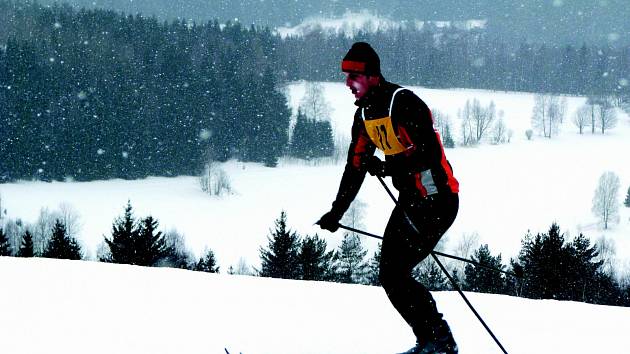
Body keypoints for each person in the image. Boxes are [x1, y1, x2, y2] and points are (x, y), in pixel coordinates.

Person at [317, 42, 460, 354]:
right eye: (345, 76)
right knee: (390, 276)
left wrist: (388, 165)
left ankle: (439, 342)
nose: (347, 84)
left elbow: (430, 153)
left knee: (394, 274)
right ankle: (432, 340)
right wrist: (336, 211)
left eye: (353, 76)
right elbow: (354, 167)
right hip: (411, 202)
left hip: (438, 200)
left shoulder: (404, 102)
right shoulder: (365, 117)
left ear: (372, 76)